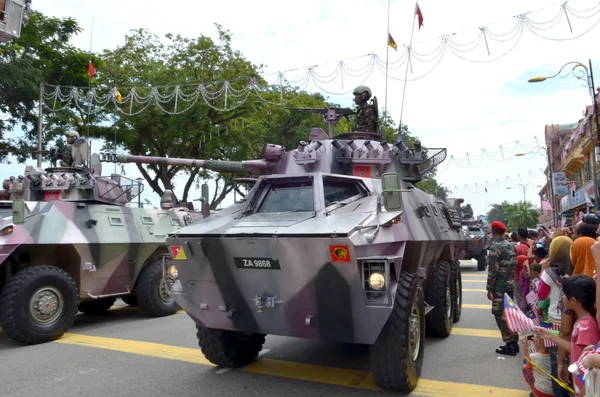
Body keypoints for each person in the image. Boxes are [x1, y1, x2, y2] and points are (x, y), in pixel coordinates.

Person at [536, 274, 600, 396]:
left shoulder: (587, 327)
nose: (563, 298)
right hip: (581, 383)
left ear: (574, 300)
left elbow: (591, 367)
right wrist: (550, 336)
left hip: (586, 387)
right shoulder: (582, 322)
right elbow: (576, 348)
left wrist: (583, 391)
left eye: (565, 295)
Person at [486, 220, 519, 355]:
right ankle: (514, 342)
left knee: (499, 314)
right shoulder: (511, 246)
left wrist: (489, 289)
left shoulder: (495, 247)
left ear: (493, 232)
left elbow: (493, 270)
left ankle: (510, 343)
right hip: (510, 285)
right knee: (509, 313)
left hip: (499, 286)